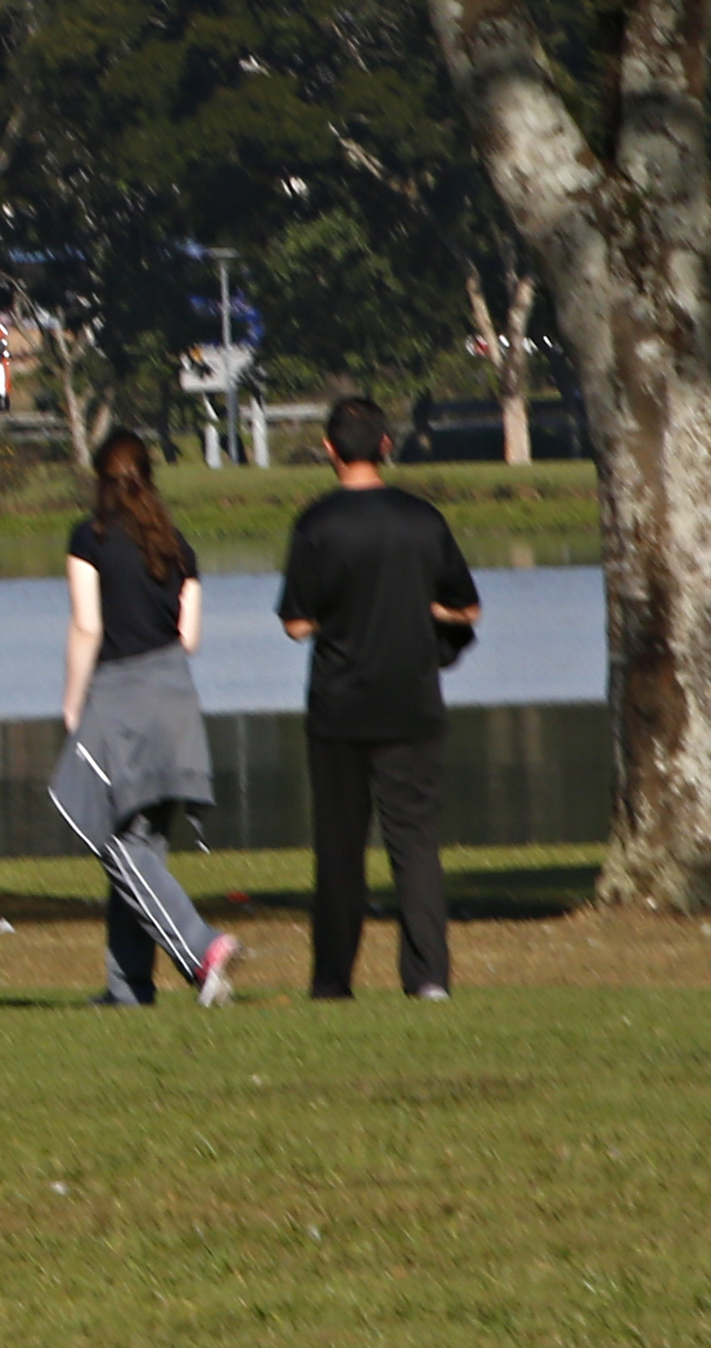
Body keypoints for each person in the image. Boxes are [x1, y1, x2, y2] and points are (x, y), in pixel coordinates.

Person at [277, 393, 479, 1002]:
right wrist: (426, 608)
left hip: (339, 706)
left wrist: (336, 617)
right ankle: (427, 978)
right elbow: (466, 606)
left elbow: (294, 622)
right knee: (414, 845)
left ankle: (333, 979)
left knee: (339, 851)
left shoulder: (317, 524)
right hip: (411, 704)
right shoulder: (423, 521)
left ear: (331, 451)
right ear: (386, 447)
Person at [51, 432, 243, 1009]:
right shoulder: (178, 547)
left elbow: (87, 626)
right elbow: (189, 638)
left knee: (109, 836)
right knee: (142, 844)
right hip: (176, 698)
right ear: (148, 480)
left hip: (120, 697)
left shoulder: (90, 539)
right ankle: (127, 988)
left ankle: (200, 948)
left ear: (100, 482)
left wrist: (70, 699)